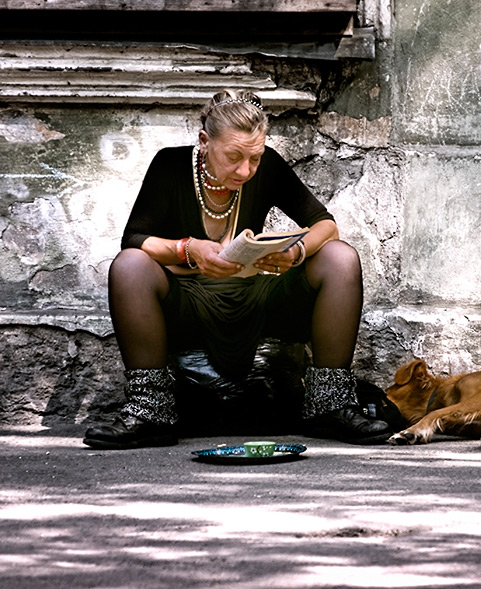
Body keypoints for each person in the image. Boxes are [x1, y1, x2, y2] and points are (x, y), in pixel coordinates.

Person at [83, 89, 392, 449]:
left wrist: (295, 253)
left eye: (254, 158)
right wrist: (187, 249)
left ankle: (329, 405)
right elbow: (135, 238)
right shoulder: (170, 166)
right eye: (233, 156)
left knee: (340, 256)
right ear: (204, 141)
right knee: (129, 266)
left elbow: (325, 224)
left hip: (258, 297)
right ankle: (151, 411)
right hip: (188, 301)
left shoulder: (269, 168)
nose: (245, 170)